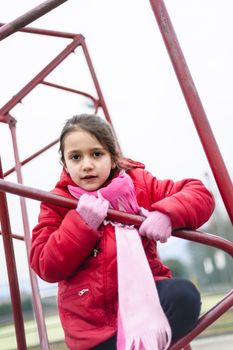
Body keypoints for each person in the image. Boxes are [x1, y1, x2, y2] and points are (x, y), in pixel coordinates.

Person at [30, 114, 215, 350]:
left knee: (184, 296)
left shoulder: (137, 185)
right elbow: (45, 264)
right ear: (65, 164)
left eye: (96, 154)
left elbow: (199, 194)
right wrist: (81, 223)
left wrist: (168, 213)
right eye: (76, 157)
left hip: (144, 302)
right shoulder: (57, 202)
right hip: (94, 325)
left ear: (113, 157)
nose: (86, 165)